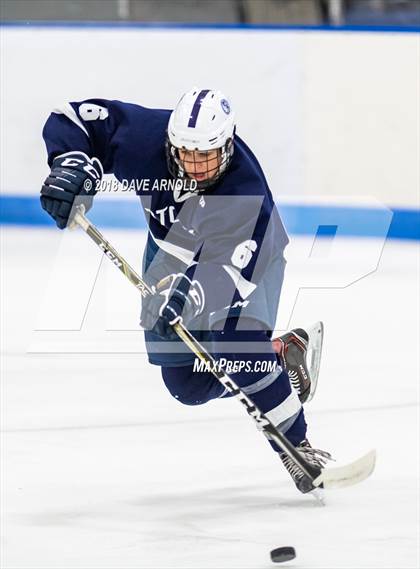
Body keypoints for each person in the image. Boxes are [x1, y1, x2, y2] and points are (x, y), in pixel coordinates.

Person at [40, 88, 331, 493]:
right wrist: (71, 163)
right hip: (171, 252)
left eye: (206, 155)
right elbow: (70, 117)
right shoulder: (145, 138)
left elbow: (229, 275)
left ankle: (297, 445)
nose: (194, 165)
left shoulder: (246, 194)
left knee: (238, 345)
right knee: (188, 386)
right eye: (186, 153)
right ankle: (284, 353)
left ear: (227, 146)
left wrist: (190, 296)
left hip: (247, 262)